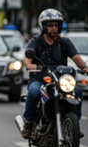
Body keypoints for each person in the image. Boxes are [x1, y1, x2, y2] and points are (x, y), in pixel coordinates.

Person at [21, 8, 88, 139]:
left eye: (56, 25)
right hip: (40, 79)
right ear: (44, 26)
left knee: (78, 93)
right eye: (50, 25)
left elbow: (76, 57)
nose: (54, 28)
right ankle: (28, 123)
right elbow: (27, 57)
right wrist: (29, 65)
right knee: (34, 92)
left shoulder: (64, 43)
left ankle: (74, 125)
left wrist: (85, 67)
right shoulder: (36, 41)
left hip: (60, 80)